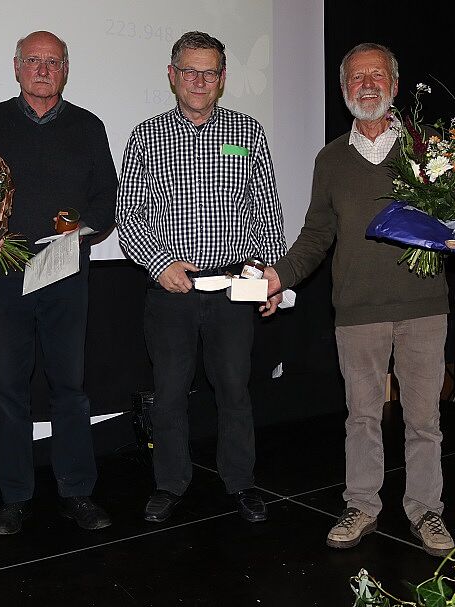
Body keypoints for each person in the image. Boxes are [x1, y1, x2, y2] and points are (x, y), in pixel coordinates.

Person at [263, 42, 455, 556]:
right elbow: (315, 235)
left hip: (423, 309)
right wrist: (278, 275)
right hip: (357, 313)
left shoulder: (429, 148)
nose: (366, 85)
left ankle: (426, 511)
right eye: (356, 78)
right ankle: (363, 505)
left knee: (423, 421)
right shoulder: (330, 159)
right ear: (344, 88)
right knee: (362, 418)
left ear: (394, 85)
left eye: (376, 76)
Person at [116, 31, 286, 524]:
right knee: (169, 394)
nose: (198, 80)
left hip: (234, 285)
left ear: (223, 80)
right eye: (189, 71)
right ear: (172, 76)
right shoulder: (146, 137)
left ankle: (240, 483)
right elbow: (130, 217)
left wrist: (268, 275)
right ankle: (170, 484)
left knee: (234, 389)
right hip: (172, 285)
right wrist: (160, 263)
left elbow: (265, 213)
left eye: (209, 72)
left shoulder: (248, 133)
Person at [0, 31, 118, 535]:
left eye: (53, 62)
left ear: (66, 69)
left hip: (66, 271)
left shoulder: (89, 127)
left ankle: (77, 491)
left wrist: (79, 231)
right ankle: (14, 497)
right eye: (34, 61)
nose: (43, 69)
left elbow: (106, 201)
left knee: (69, 387)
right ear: (16, 67)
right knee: (11, 389)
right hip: (5, 273)